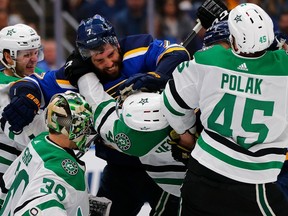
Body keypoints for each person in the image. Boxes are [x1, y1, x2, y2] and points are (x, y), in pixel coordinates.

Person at [161, 3, 288, 215]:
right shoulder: (284, 68)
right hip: (254, 182)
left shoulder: (207, 59)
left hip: (202, 172)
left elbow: (172, 103)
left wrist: (186, 134)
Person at [0, 91, 93, 215]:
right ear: (71, 128)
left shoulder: (39, 141)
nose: (87, 131)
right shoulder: (63, 172)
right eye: (84, 125)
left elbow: (5, 185)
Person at [0, 23, 45, 183]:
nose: (34, 60)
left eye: (35, 52)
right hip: (6, 174)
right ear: (7, 57)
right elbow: (24, 135)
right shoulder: (2, 89)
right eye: (26, 55)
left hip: (35, 170)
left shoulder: (41, 76)